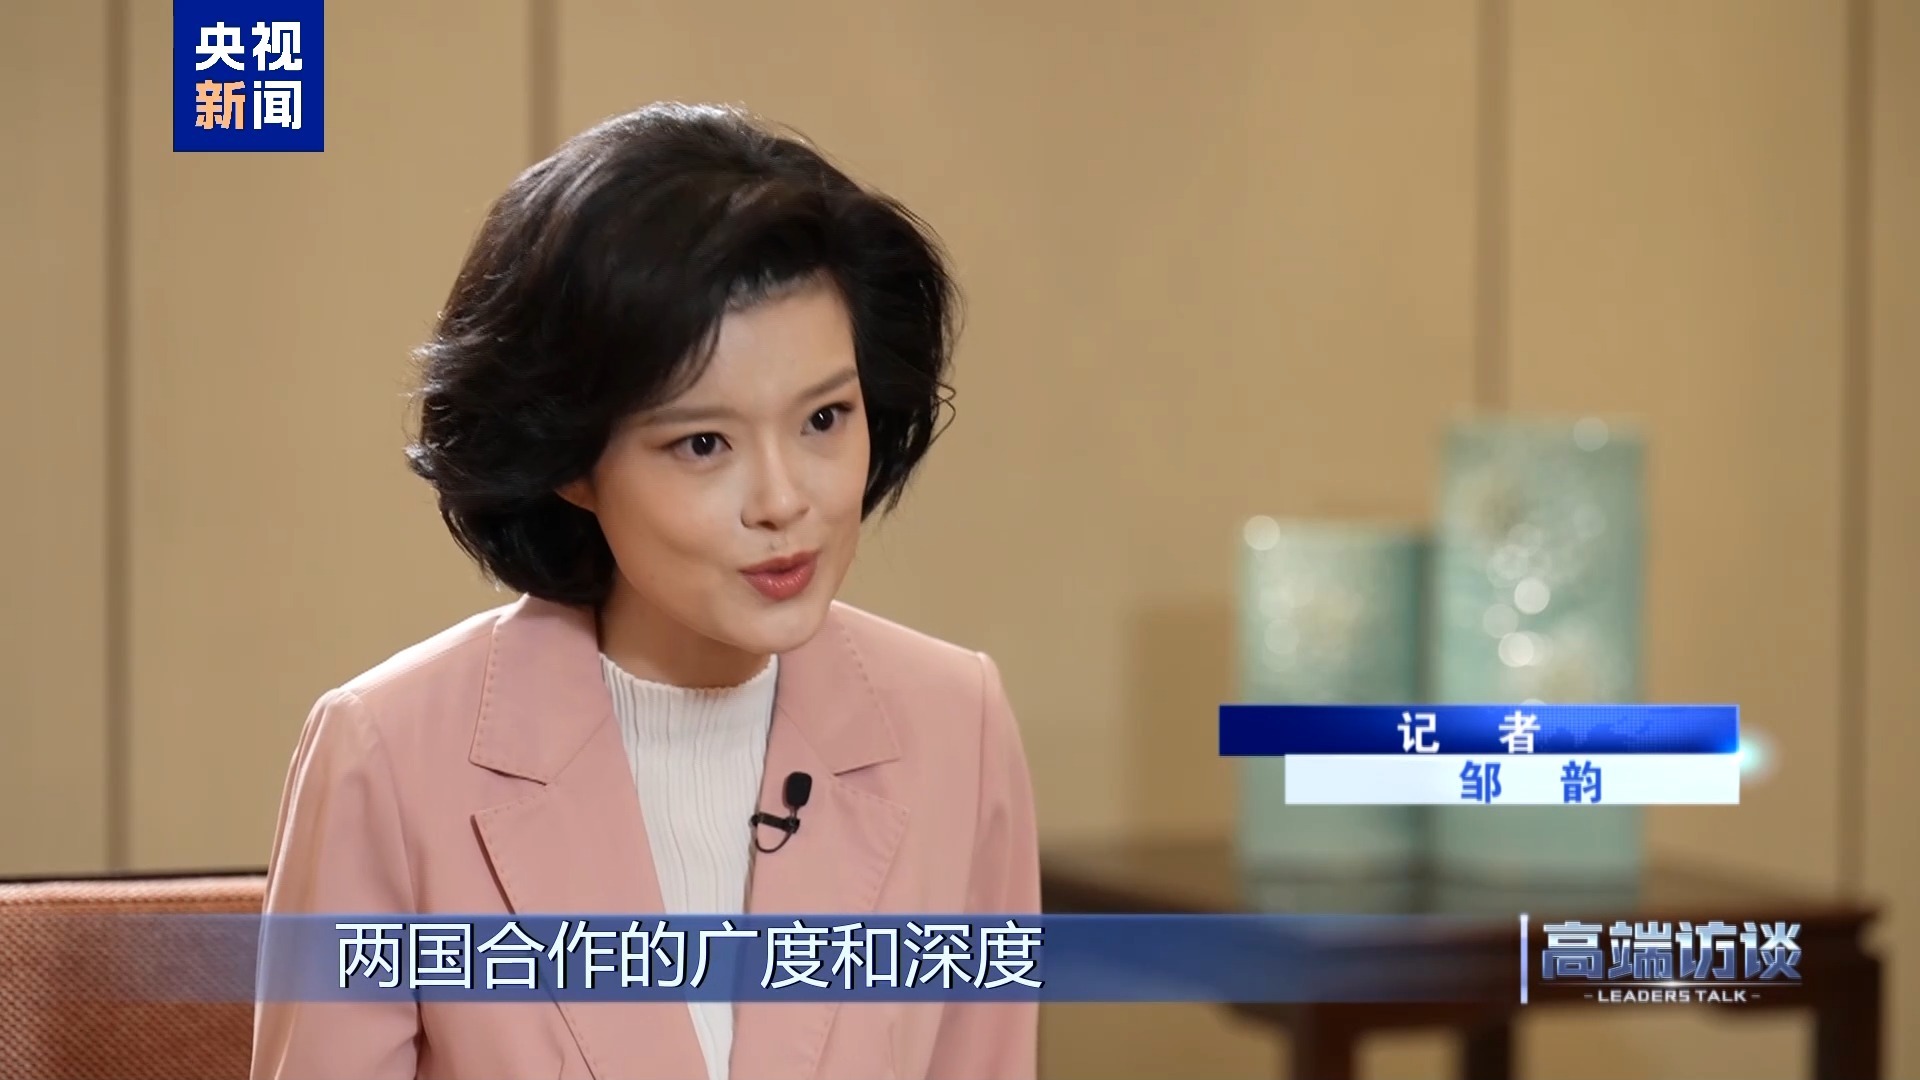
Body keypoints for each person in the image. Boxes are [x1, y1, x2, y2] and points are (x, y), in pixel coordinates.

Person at [250, 102, 1040, 1080]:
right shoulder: (389, 757)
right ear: (572, 463)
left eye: (824, 419)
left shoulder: (957, 726)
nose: (785, 500)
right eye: (703, 443)